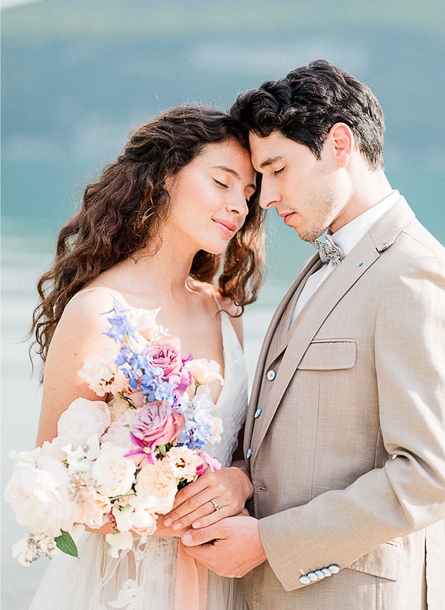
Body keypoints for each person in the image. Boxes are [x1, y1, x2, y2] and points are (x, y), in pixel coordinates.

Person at [179, 60, 445, 609]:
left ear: (340, 145)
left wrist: (271, 541)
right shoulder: (323, 262)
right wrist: (243, 479)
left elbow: (434, 476)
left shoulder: (414, 273)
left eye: (277, 169)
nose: (264, 198)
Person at [26, 105, 266, 609]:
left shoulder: (223, 311)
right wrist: (159, 510)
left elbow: (246, 448)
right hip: (125, 583)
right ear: (163, 178)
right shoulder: (97, 312)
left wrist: (239, 481)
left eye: (248, 195)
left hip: (225, 576)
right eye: (222, 183)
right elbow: (51, 484)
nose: (239, 208)